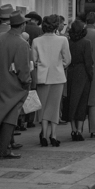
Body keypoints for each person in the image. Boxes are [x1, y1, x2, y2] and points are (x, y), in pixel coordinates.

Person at [0, 11, 32, 158]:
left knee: (0, 114)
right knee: (10, 117)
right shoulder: (22, 43)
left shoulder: (0, 37)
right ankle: (4, 148)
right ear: (23, 25)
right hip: (14, 84)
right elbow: (23, 69)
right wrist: (27, 83)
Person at [32, 14, 71, 147]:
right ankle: (53, 135)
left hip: (43, 75)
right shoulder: (62, 40)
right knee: (54, 107)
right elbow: (68, 59)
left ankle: (44, 135)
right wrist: (61, 65)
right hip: (58, 75)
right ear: (56, 26)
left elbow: (34, 60)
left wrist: (41, 66)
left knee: (43, 106)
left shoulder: (36, 41)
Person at [66, 20, 93, 141]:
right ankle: (79, 130)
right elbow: (88, 62)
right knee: (82, 101)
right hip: (83, 73)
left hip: (71, 72)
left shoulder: (68, 42)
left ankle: (73, 129)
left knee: (72, 101)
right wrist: (90, 75)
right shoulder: (86, 43)